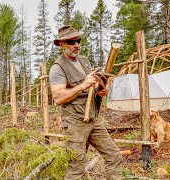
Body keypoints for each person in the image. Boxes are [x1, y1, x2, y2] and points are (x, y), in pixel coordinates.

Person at [49, 25, 123, 180]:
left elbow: (91, 88)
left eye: (78, 40)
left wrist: (100, 89)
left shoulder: (84, 61)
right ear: (61, 44)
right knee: (76, 167)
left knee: (114, 155)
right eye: (71, 42)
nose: (76, 45)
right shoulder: (58, 68)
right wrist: (83, 84)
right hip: (75, 121)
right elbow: (58, 98)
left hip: (92, 118)